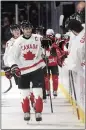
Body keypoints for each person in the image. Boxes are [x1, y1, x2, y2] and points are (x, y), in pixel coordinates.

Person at [6, 21, 46, 121]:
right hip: (23, 71)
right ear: (22, 30)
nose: (28, 30)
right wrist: (13, 66)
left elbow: (46, 49)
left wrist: (48, 51)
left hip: (37, 68)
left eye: (29, 28)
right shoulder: (17, 42)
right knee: (24, 93)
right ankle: (26, 111)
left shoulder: (38, 38)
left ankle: (38, 112)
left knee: (38, 92)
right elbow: (11, 56)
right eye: (26, 29)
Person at [43, 29, 59, 97]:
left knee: (55, 79)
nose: (49, 37)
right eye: (48, 35)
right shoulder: (43, 41)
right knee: (46, 79)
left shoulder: (56, 41)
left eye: (51, 35)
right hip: (46, 63)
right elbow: (41, 51)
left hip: (54, 64)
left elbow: (59, 50)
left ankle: (55, 90)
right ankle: (47, 90)